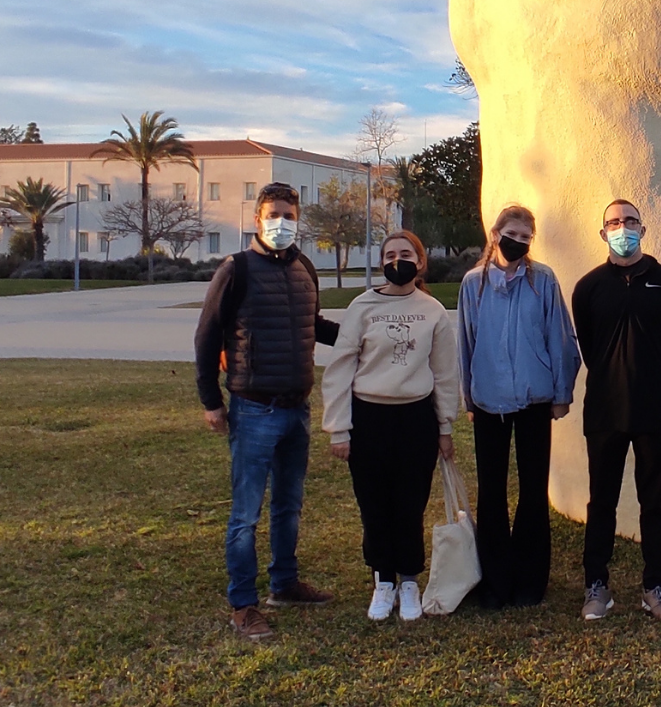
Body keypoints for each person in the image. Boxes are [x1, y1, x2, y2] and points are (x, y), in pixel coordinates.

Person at [193, 182, 336, 641]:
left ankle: (285, 584)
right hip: (253, 409)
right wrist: (211, 401)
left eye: (289, 216)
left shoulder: (304, 268)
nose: (282, 223)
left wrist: (367, 327)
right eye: (273, 215)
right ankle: (243, 604)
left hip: (297, 410)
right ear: (257, 219)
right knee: (245, 515)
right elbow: (206, 336)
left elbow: (314, 326)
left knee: (289, 506)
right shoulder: (235, 269)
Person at [323, 230, 460, 622]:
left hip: (415, 419)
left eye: (405, 253)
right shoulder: (361, 306)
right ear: (381, 262)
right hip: (369, 419)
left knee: (410, 503)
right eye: (389, 254)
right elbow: (341, 367)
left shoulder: (432, 310)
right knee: (374, 504)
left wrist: (445, 426)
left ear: (419, 262)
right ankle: (383, 580)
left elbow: (445, 372)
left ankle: (410, 580)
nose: (397, 260)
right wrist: (339, 427)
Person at [571, 199, 661, 623]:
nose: (623, 228)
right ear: (603, 233)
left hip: (656, 409)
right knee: (601, 501)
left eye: (631, 221)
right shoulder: (588, 287)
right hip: (604, 410)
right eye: (614, 222)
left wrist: (652, 378)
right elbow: (589, 345)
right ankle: (596, 586)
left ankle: (655, 587)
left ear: (643, 227)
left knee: (653, 501)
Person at [458, 205, 581, 609]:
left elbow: (560, 336)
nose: (519, 241)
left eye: (527, 237)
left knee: (532, 491)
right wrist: (469, 395)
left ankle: (530, 581)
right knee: (491, 492)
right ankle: (495, 582)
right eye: (513, 233)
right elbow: (465, 343)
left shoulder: (542, 280)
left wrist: (561, 394)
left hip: (533, 400)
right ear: (495, 233)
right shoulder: (472, 284)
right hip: (489, 400)